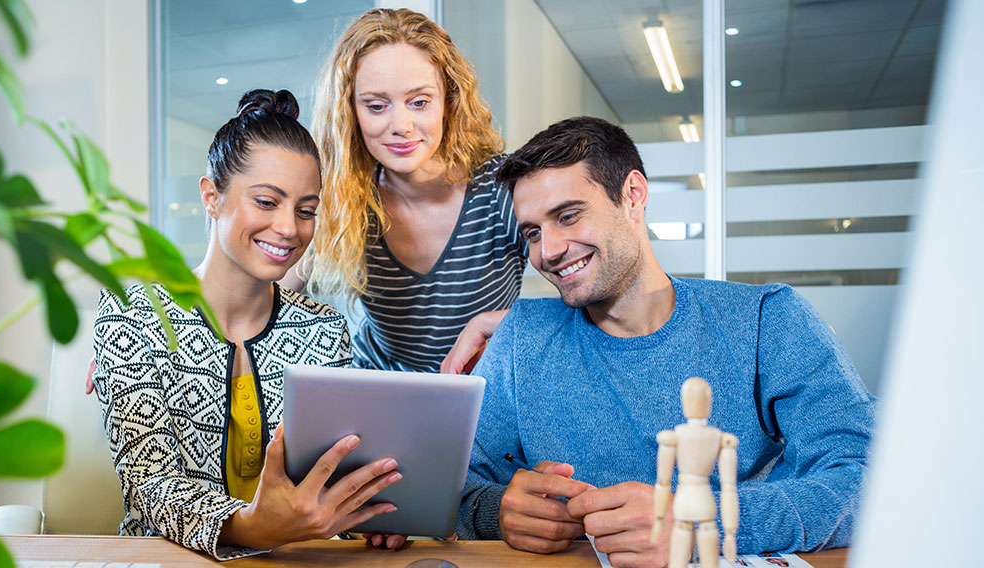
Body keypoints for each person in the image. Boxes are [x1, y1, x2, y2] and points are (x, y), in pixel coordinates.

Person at [456, 116, 876, 567]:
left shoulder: (766, 320)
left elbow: (868, 479)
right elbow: (459, 489)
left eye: (568, 216)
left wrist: (700, 525)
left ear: (633, 195)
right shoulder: (521, 337)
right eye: (533, 232)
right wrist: (496, 512)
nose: (548, 251)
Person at [91, 89, 402, 561]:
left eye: (305, 210)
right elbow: (149, 487)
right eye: (266, 201)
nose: (288, 228)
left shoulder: (322, 328)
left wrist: (367, 514)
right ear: (211, 196)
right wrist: (254, 527)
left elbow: (329, 475)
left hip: (295, 560)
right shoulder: (133, 313)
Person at [281, 7, 525, 375]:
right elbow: (268, 296)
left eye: (420, 102)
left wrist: (504, 324)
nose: (401, 126)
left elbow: (587, 295)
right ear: (351, 113)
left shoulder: (503, 188)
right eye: (377, 106)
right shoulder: (343, 198)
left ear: (449, 101)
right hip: (381, 393)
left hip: (483, 394)